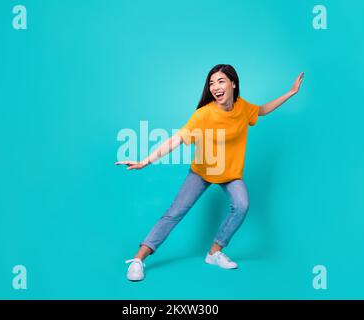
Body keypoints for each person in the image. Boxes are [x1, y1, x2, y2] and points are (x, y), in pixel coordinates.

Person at [116, 64, 304, 281]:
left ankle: (214, 253)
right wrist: (146, 161)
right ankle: (138, 259)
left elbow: (261, 110)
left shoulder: (242, 107)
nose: (215, 87)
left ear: (233, 83)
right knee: (174, 212)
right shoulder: (204, 115)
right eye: (211, 83)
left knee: (242, 205)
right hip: (203, 171)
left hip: (230, 174)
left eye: (221, 81)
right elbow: (176, 140)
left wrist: (290, 93)